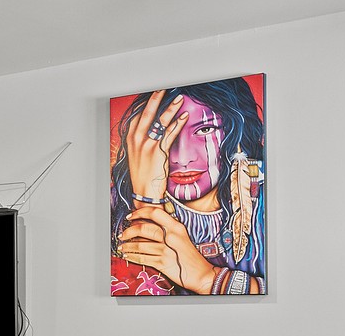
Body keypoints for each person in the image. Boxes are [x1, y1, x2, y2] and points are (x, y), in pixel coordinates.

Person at [109, 78, 265, 296]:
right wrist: (146, 200)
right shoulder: (114, 203)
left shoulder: (268, 199)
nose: (182, 158)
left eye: (205, 129)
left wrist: (207, 279)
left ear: (236, 131)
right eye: (165, 134)